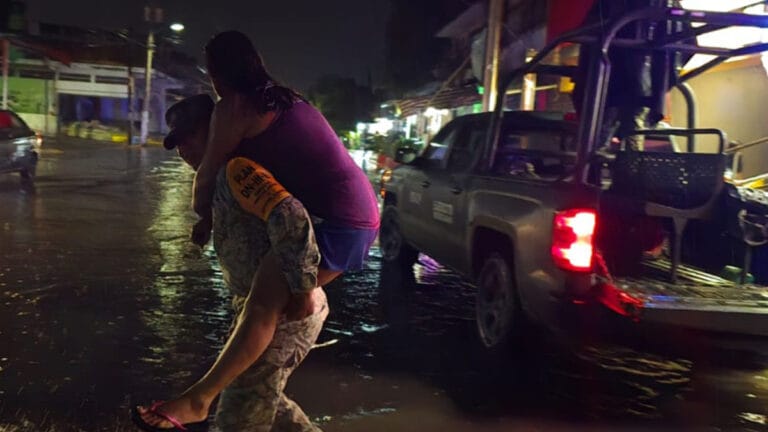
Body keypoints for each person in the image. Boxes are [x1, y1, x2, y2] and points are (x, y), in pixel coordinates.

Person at [131, 94, 327, 431]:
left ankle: (195, 403)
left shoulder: (238, 169)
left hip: (284, 312)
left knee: (238, 412)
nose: (182, 150)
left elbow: (291, 215)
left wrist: (303, 287)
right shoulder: (219, 177)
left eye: (189, 138)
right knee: (264, 399)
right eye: (177, 143)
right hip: (259, 311)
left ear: (214, 130)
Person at [191, 30, 380, 289]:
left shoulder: (236, 107)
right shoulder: (285, 98)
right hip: (359, 214)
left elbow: (208, 175)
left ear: (216, 74)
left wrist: (203, 217)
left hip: (340, 221)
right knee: (283, 306)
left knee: (261, 310)